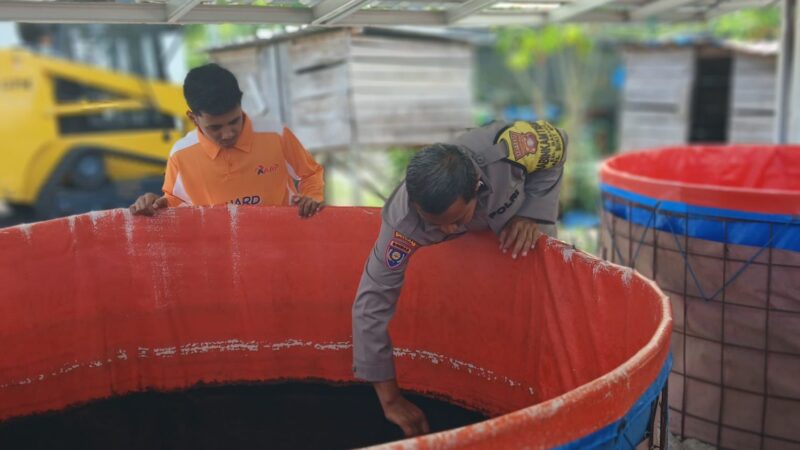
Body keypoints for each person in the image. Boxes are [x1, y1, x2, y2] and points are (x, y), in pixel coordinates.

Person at [351, 120, 568, 437]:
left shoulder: (509, 149)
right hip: (485, 255)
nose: (447, 232)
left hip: (521, 225)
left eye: (455, 221)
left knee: (540, 318)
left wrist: (531, 214)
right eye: (434, 224)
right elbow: (370, 304)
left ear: (476, 190)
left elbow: (558, 147)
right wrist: (391, 400)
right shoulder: (403, 221)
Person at [130, 63, 324, 217]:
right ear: (193, 118)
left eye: (234, 121)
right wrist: (156, 204)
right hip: (222, 256)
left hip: (280, 246)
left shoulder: (275, 134)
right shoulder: (180, 155)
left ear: (240, 106)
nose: (228, 133)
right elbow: (174, 201)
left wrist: (310, 198)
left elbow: (310, 173)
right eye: (215, 127)